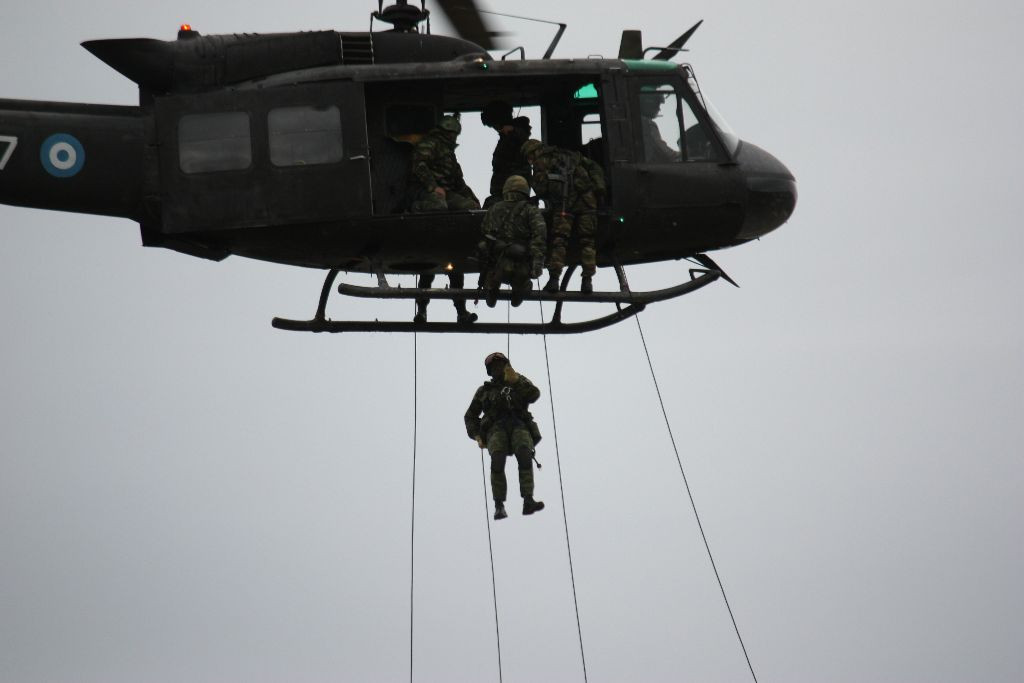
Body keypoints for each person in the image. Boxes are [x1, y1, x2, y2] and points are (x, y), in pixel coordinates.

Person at [408, 114, 480, 323]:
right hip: (424, 193)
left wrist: (473, 201)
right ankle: (422, 310)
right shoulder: (430, 145)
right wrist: (432, 186)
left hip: (445, 198)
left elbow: (459, 182)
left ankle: (461, 312)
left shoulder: (449, 154)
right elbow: (418, 166)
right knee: (427, 268)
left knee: (468, 208)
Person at [464, 352, 545, 520]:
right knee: (497, 459)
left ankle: (528, 499)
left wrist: (516, 381)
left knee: (524, 454)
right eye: (493, 367)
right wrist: (477, 434)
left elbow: (534, 394)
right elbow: (470, 416)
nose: (497, 369)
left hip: (518, 425)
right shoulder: (484, 391)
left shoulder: (516, 380)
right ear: (489, 371)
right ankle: (499, 505)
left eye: (500, 365)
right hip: (496, 429)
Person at [520, 139, 606, 294]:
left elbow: (541, 188)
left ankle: (554, 280)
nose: (530, 161)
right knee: (588, 242)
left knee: (560, 241)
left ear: (532, 153)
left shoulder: (541, 162)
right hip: (587, 201)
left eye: (529, 157)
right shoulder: (570, 155)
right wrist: (599, 189)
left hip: (564, 205)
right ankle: (587, 281)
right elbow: (594, 167)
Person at [478, 175, 546, 308]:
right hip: (519, 265)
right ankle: (519, 289)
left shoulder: (493, 209)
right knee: (521, 285)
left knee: (493, 271)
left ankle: (491, 285)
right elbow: (540, 237)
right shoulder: (531, 210)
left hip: (496, 264)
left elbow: (484, 233)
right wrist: (537, 265)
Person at [480, 101, 533, 208]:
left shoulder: (515, 134)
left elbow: (523, 136)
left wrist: (513, 130)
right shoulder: (506, 136)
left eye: (494, 124)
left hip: (513, 192)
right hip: (502, 191)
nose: (494, 128)